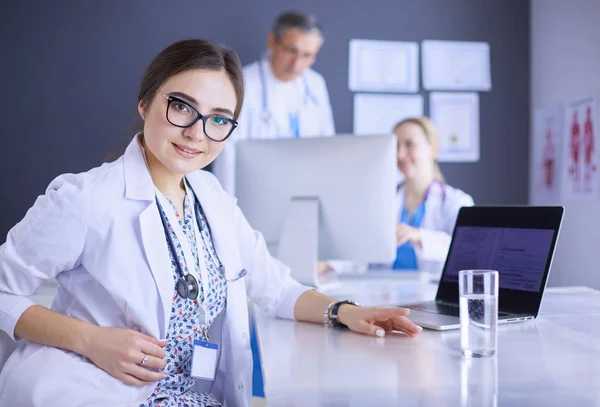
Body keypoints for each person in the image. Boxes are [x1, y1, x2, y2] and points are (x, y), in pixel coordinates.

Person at [0, 39, 421, 407]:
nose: (197, 133)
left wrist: (345, 312)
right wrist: (91, 340)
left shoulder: (213, 199)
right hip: (97, 391)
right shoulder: (85, 198)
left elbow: (276, 289)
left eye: (219, 118)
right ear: (145, 102)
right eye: (182, 107)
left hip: (194, 396)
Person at [211, 10, 335, 195]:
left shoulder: (316, 85)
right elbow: (227, 154)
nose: (296, 64)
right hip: (255, 192)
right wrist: (224, 206)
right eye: (291, 51)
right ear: (272, 41)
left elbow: (328, 145)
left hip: (305, 191)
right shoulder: (243, 83)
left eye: (307, 55)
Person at [393, 117, 474, 279]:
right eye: (396, 146)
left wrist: (420, 237)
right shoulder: (384, 200)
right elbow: (361, 251)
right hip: (382, 293)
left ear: (433, 149)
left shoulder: (456, 202)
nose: (400, 154)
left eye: (409, 144)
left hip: (430, 294)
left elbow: (469, 252)